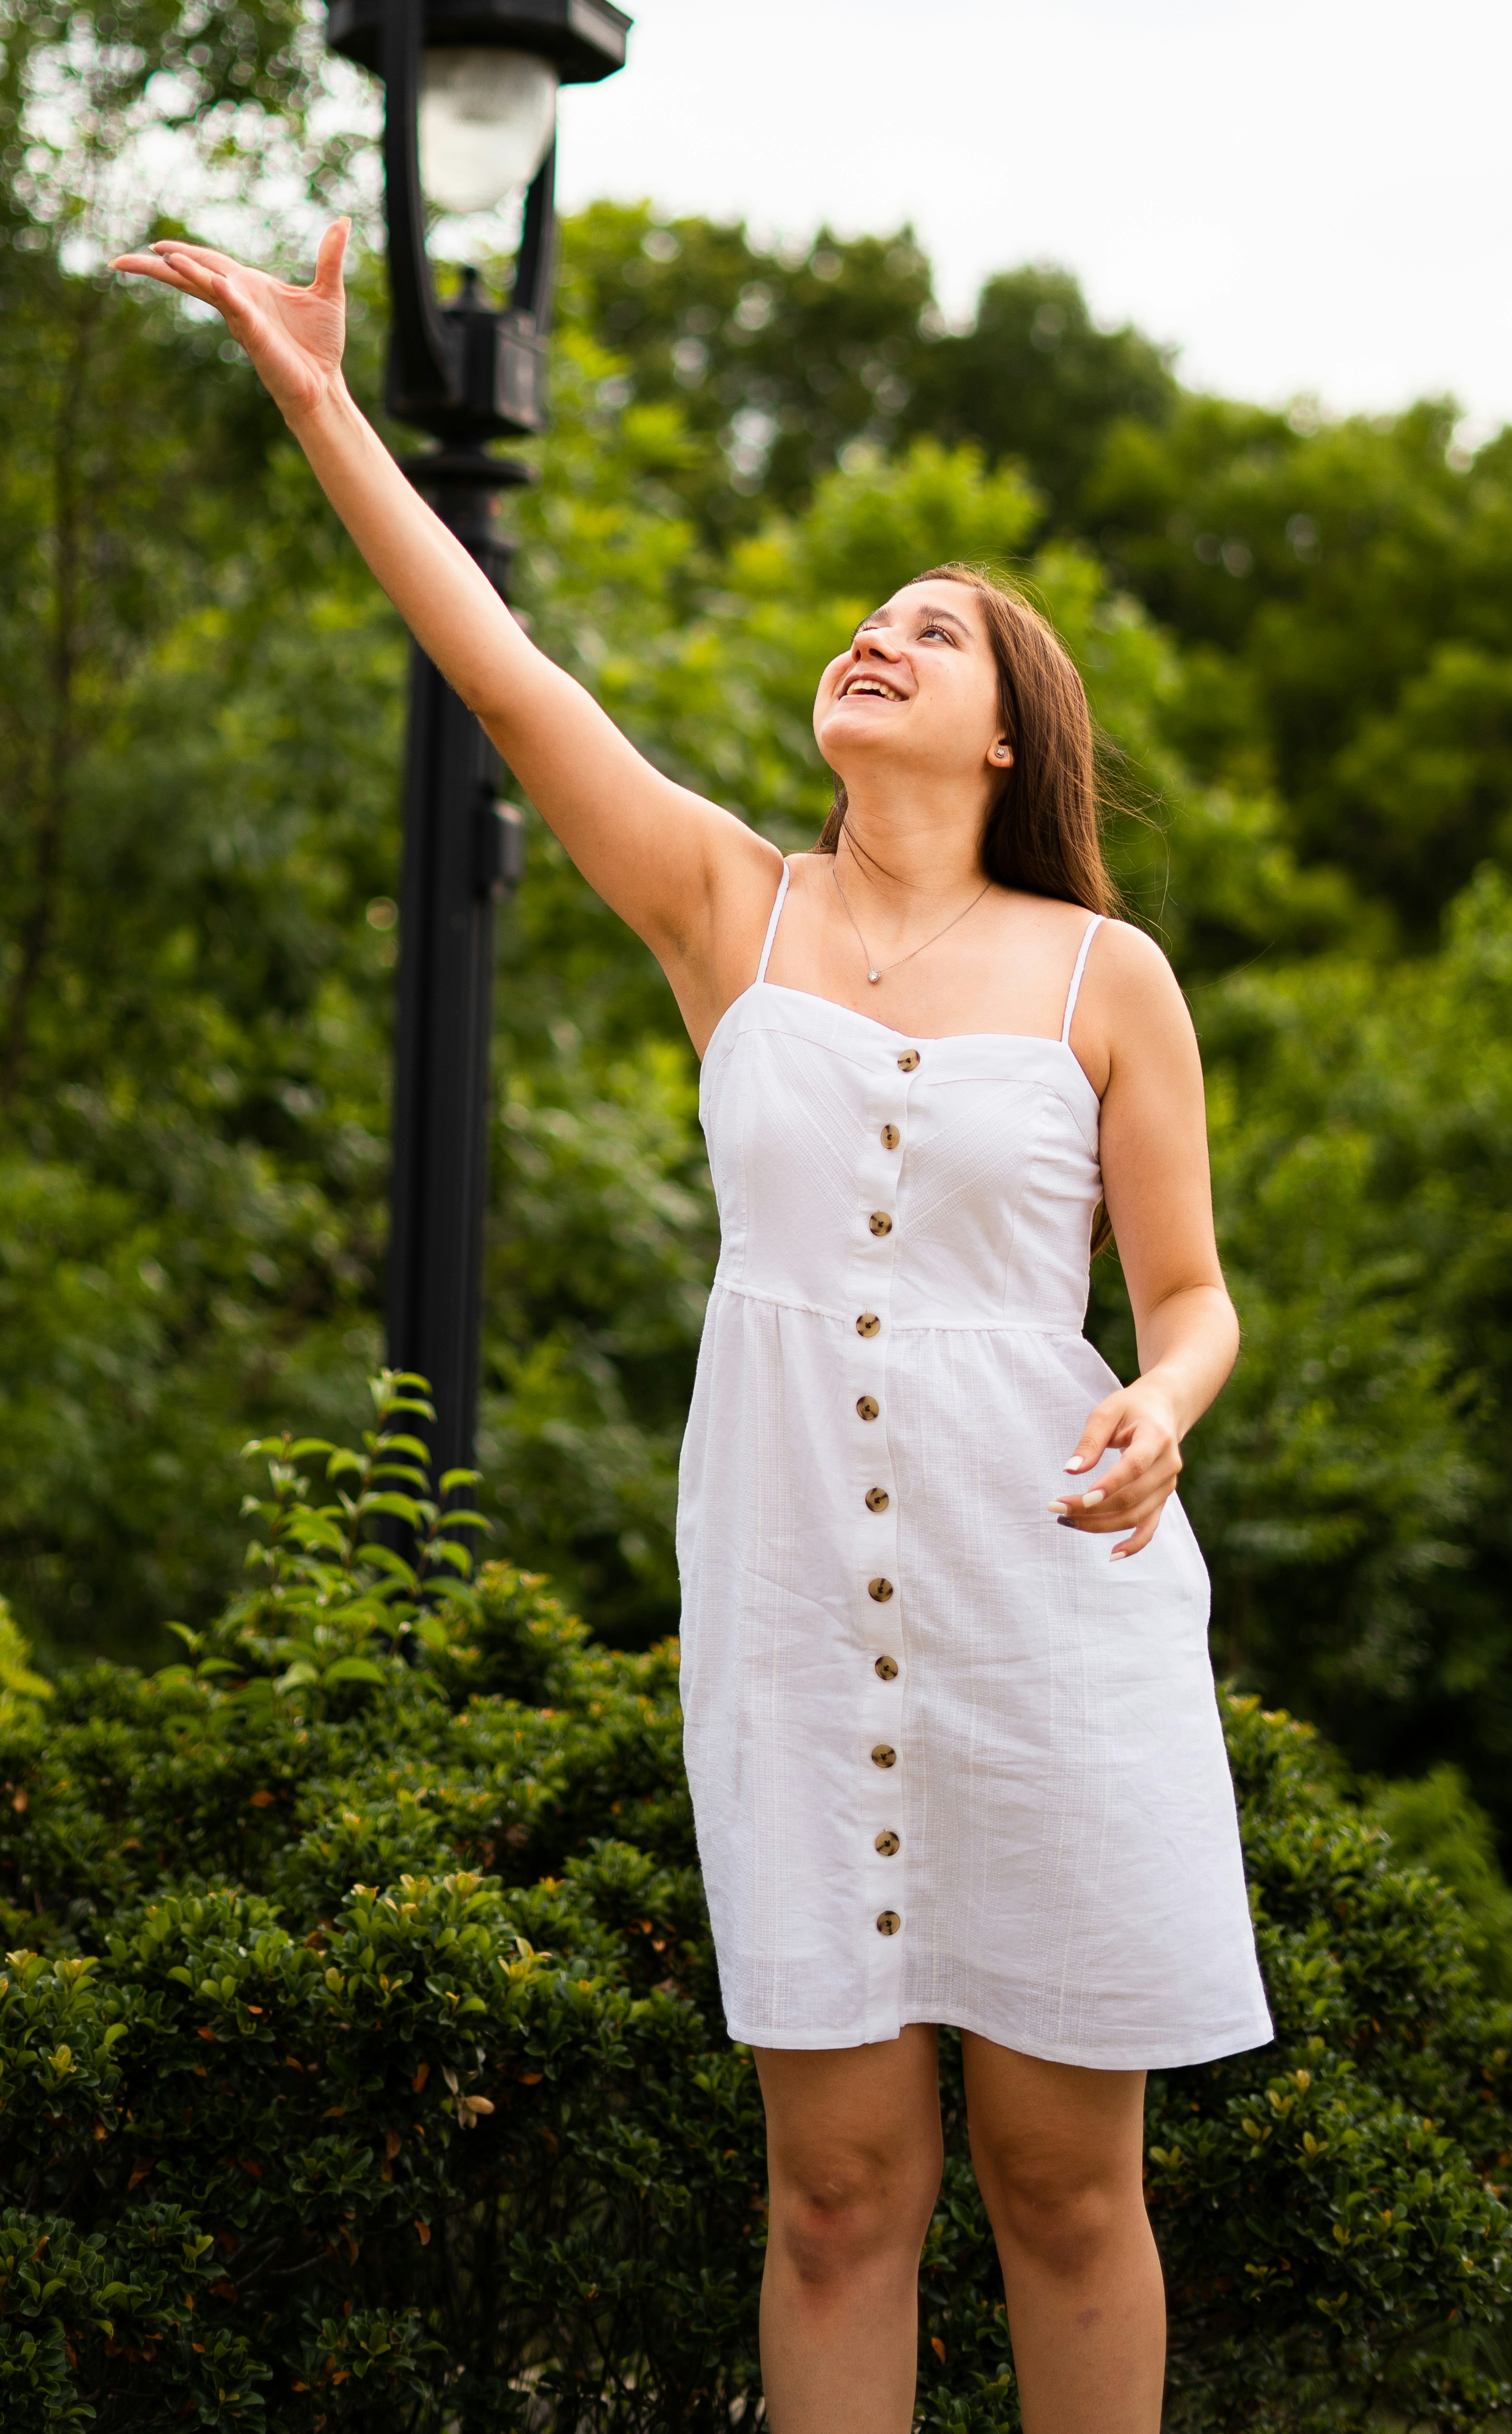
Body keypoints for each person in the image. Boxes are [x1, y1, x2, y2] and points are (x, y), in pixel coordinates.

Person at [113, 219, 1272, 2434]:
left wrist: (1168, 1398)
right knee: (836, 2190)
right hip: (791, 1619)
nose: (880, 633)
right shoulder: (725, 904)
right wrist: (318, 397)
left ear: (1014, 729)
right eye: (868, 616)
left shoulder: (1099, 975)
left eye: (932, 631)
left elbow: (1192, 1292)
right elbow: (505, 674)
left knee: (1061, 2178)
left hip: (1052, 1611)